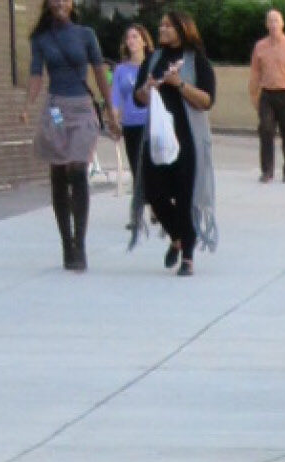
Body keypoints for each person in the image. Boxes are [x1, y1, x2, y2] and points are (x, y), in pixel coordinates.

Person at [25, 0, 112, 271]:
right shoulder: (41, 38)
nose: (60, 3)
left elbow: (99, 72)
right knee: (60, 171)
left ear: (72, 4)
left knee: (78, 167)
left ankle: (80, 242)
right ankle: (67, 244)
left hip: (82, 106)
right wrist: (28, 105)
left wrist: (111, 110)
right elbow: (36, 74)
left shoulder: (86, 34)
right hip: (56, 109)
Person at [135, 10, 216, 277]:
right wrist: (148, 89)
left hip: (188, 139)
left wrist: (178, 83)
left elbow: (206, 101)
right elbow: (139, 98)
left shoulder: (197, 61)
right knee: (154, 194)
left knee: (185, 196)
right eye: (160, 26)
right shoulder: (153, 59)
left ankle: (188, 258)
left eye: (168, 26)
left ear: (183, 30)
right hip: (157, 138)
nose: (161, 30)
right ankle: (178, 238)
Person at [246, 8, 285, 184]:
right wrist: (254, 94)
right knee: (265, 130)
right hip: (267, 94)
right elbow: (255, 73)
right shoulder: (260, 46)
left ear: (282, 24)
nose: (273, 24)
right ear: (266, 25)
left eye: (276, 21)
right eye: (270, 21)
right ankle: (267, 171)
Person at [109, 23, 152, 247]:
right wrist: (115, 120)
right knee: (137, 168)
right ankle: (136, 215)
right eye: (129, 38)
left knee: (153, 166)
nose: (132, 41)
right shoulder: (121, 70)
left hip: (151, 122)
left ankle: (156, 207)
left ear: (144, 41)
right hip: (132, 124)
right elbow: (116, 98)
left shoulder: (153, 66)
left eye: (136, 37)